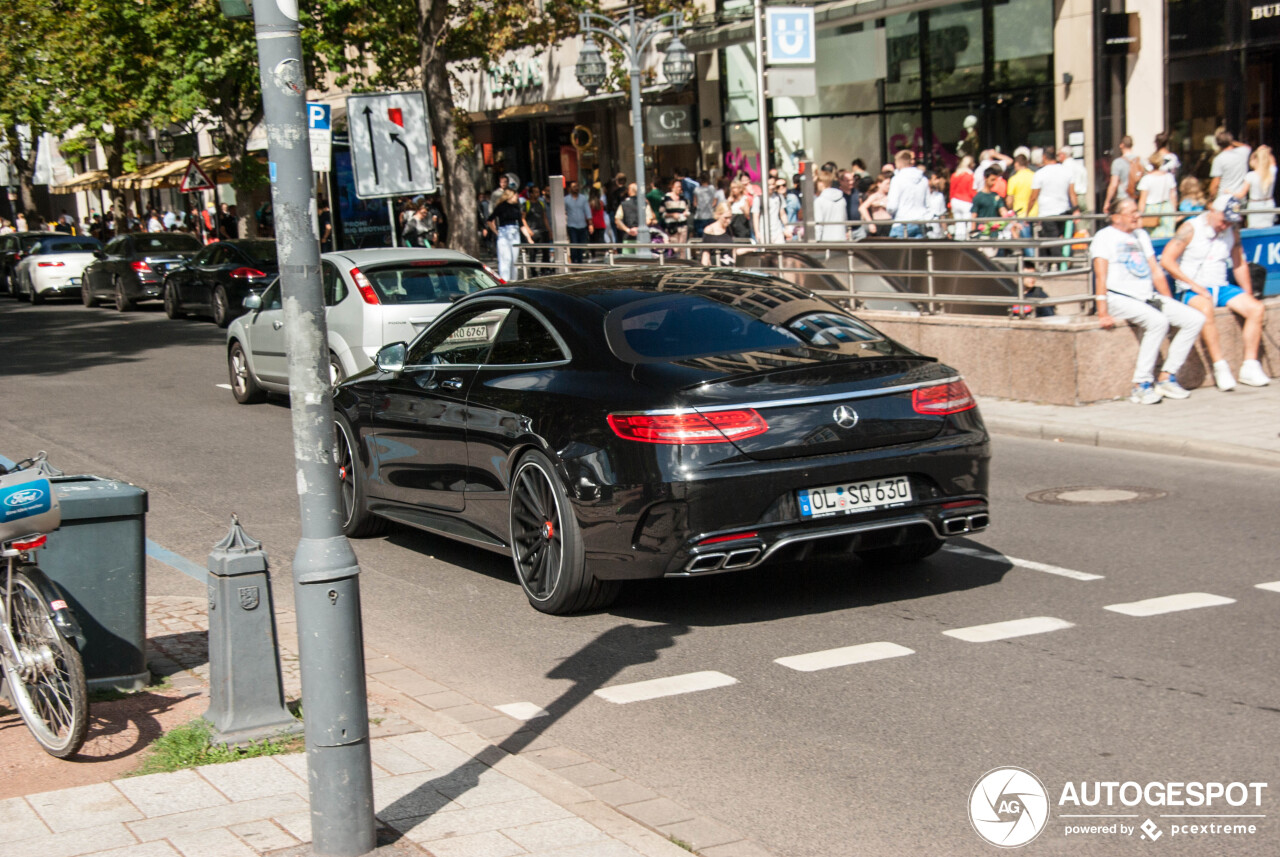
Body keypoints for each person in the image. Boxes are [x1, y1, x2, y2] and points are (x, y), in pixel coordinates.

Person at [1090, 198, 1205, 404]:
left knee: (1194, 319)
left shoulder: (1141, 235)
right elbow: (1101, 275)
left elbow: (1156, 272)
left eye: (1138, 211)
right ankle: (1140, 384)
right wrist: (1102, 312)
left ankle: (1167, 377)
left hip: (1146, 296)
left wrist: (1170, 302)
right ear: (1116, 217)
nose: (1137, 215)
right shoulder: (1104, 237)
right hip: (1118, 296)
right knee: (1157, 322)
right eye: (1132, 212)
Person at [1160, 197, 1270, 390]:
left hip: (1221, 285)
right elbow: (1167, 260)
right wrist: (1193, 285)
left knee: (1256, 309)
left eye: (1230, 222)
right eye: (1223, 220)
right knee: (1205, 308)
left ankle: (1250, 365)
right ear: (1213, 211)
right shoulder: (1190, 228)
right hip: (1193, 287)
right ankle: (1220, 366)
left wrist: (1249, 292)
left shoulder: (1232, 230)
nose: (1225, 225)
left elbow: (1239, 263)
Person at [1027, 147, 1078, 239]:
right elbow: (1072, 193)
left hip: (1047, 213)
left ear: (1044, 157)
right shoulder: (1067, 171)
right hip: (1064, 211)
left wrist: (1027, 213)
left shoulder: (1040, 174)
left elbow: (1033, 197)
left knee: (1052, 242)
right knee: (1062, 239)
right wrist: (1076, 209)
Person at [487, 188, 531, 281]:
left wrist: (528, 237)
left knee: (514, 259)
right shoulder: (501, 206)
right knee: (505, 259)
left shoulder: (516, 207)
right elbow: (490, 220)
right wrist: (496, 232)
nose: (517, 197)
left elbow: (521, 224)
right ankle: (505, 280)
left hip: (515, 232)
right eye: (515, 195)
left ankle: (513, 279)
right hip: (504, 231)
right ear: (510, 196)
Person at [885, 150, 930, 238]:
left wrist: (888, 210)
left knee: (896, 251)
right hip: (920, 221)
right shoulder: (923, 179)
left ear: (899, 163)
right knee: (918, 251)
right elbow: (928, 203)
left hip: (902, 222)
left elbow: (892, 206)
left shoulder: (897, 179)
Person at [1137, 155, 1178, 238]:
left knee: (1152, 236)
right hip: (1167, 208)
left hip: (1151, 210)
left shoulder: (1146, 179)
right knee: (1168, 234)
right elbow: (1173, 196)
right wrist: (1174, 212)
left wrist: (1140, 215)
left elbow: (1142, 200)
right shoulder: (1169, 177)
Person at [1208, 129, 1251, 206]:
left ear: (1218, 144)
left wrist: (1211, 198)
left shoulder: (1219, 159)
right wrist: (1231, 141)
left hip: (1224, 199)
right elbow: (1247, 147)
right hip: (1240, 197)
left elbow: (1215, 182)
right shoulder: (1243, 152)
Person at [1102, 135, 1141, 213]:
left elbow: (1113, 184)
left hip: (1122, 198)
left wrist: (1107, 201)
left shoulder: (1117, 163)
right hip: (1136, 198)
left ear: (1121, 145)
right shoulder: (1140, 161)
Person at [1242, 145, 1276, 228]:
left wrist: (1229, 192)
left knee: (1254, 229)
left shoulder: (1250, 175)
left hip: (1255, 205)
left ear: (1255, 160)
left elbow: (1242, 193)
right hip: (1269, 204)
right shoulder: (1271, 172)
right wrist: (1265, 152)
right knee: (1269, 228)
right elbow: (1273, 162)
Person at [523, 185, 552, 275]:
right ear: (530, 194)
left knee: (545, 252)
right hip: (533, 231)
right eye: (535, 192)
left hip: (543, 230)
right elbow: (523, 218)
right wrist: (528, 230)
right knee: (533, 253)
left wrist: (549, 230)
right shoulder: (526, 204)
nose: (537, 194)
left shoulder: (541, 203)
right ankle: (533, 271)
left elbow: (544, 217)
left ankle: (545, 269)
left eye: (538, 192)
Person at [814, 172, 848, 242]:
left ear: (821, 183)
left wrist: (816, 240)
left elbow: (818, 223)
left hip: (825, 240)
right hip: (841, 238)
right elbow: (845, 219)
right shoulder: (842, 199)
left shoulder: (819, 201)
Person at [563, 180, 591, 264]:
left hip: (582, 225)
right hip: (572, 225)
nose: (576, 188)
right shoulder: (566, 199)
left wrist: (590, 224)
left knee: (581, 245)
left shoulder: (583, 198)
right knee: (574, 244)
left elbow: (587, 211)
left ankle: (580, 261)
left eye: (577, 186)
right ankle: (574, 260)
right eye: (574, 187)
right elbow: (563, 211)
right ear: (570, 188)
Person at [949, 156, 977, 240]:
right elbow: (971, 190)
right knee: (968, 223)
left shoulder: (955, 175)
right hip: (966, 201)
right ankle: (967, 242)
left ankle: (958, 241)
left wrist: (950, 201)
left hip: (955, 201)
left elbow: (951, 190)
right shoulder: (970, 175)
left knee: (958, 224)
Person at [660, 178, 690, 245]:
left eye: (680, 187)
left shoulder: (684, 199)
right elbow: (661, 213)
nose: (679, 189)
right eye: (678, 187)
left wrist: (685, 214)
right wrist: (672, 215)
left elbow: (687, 210)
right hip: (672, 227)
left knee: (683, 247)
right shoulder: (666, 198)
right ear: (672, 187)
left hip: (683, 226)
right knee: (675, 248)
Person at [692, 172, 717, 238]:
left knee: (700, 237)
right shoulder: (712, 188)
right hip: (710, 215)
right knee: (710, 236)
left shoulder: (696, 189)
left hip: (699, 216)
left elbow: (694, 203)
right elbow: (715, 201)